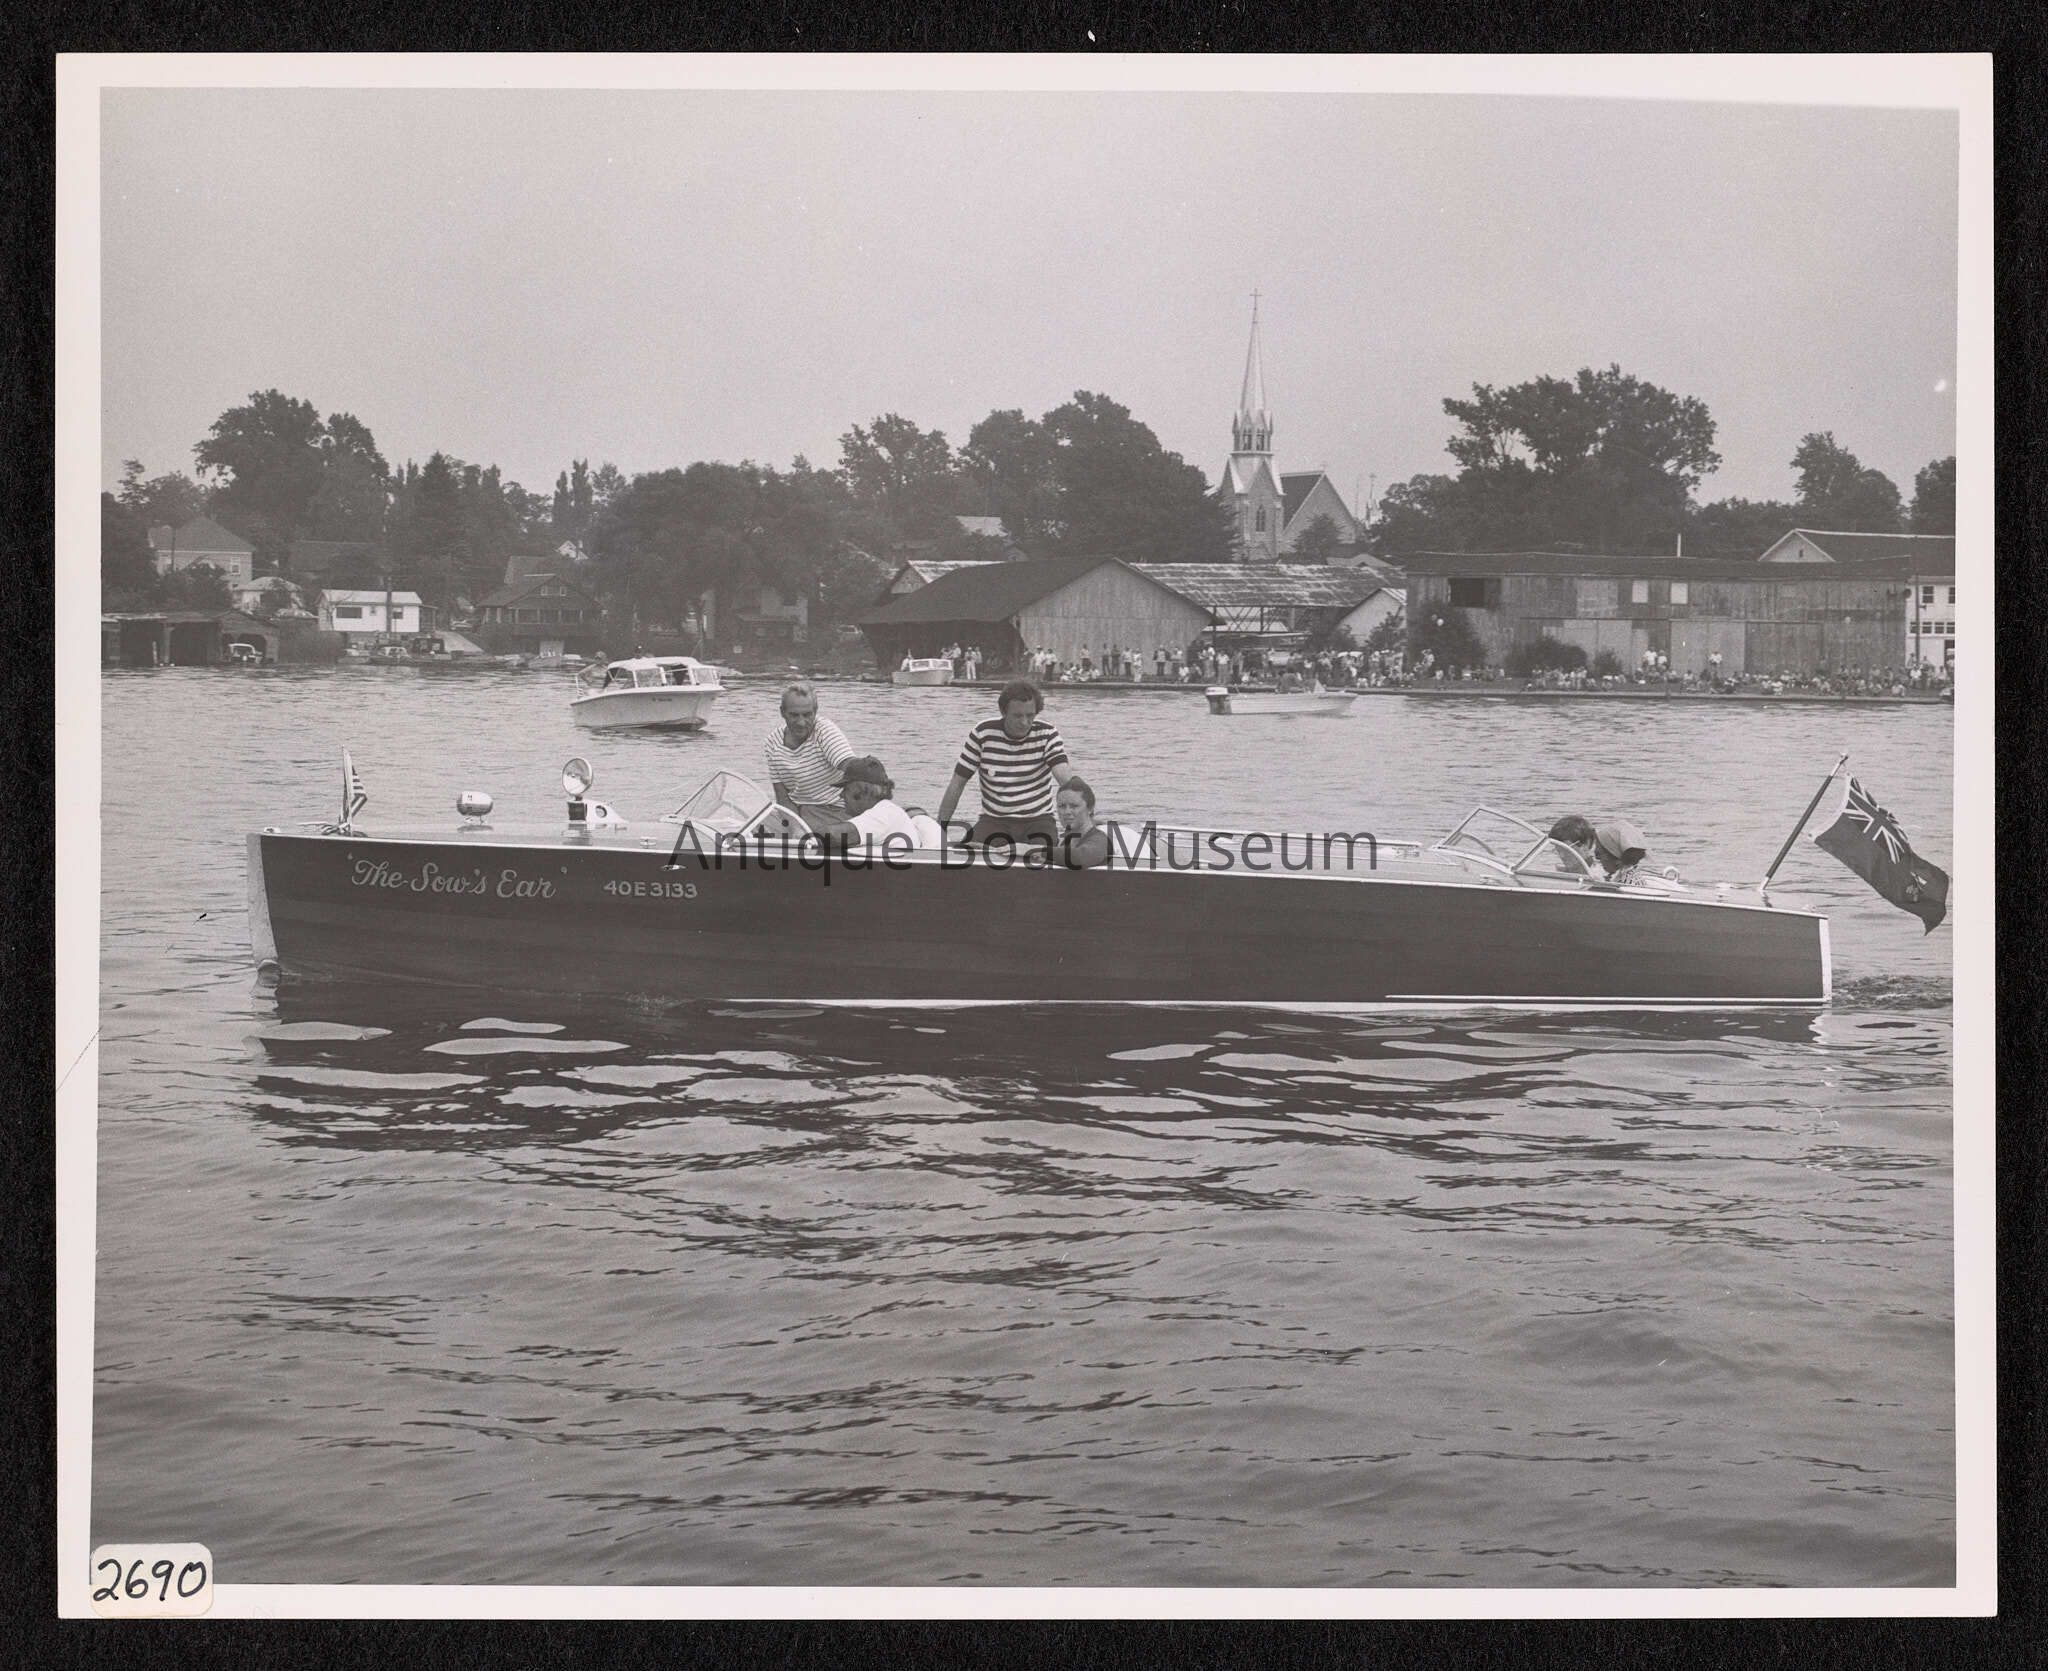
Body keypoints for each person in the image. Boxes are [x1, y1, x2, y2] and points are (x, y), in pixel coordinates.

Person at [936, 679, 1074, 846]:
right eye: (1017, 716)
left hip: (1039, 820)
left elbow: (1066, 780)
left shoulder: (1047, 733)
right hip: (994, 820)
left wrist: (1083, 823)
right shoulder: (982, 733)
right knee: (967, 854)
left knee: (1041, 854)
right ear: (1003, 712)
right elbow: (957, 783)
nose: (1024, 722)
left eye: (1030, 715)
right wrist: (940, 829)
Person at [764, 681, 854, 819]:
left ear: (815, 711)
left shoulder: (825, 731)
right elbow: (783, 799)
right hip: (799, 810)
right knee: (756, 824)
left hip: (835, 809)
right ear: (782, 712)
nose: (801, 723)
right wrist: (794, 826)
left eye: (807, 715)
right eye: (794, 715)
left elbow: (850, 765)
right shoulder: (772, 743)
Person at [1053, 776, 1112, 869]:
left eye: (1074, 806)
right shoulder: (1064, 843)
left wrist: (1037, 850)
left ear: (1090, 808)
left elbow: (1079, 858)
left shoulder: (1100, 840)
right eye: (1062, 806)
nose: (1067, 812)